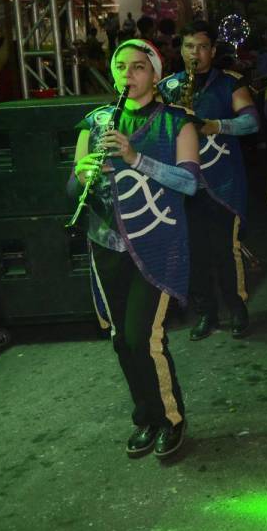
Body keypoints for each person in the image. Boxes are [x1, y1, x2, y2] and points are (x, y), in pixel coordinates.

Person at [69, 39, 199, 459]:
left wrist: (135, 157)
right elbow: (71, 188)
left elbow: (189, 182)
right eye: (121, 66)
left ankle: (170, 419)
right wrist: (81, 173)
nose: (129, 74)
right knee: (121, 340)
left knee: (142, 336)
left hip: (158, 244)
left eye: (139, 67)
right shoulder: (96, 122)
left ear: (156, 74)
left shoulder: (177, 122)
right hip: (106, 242)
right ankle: (145, 413)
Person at [158, 24, 260, 341]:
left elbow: (251, 122)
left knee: (225, 252)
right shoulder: (168, 86)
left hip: (221, 183)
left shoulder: (229, 82)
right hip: (183, 185)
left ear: (212, 51)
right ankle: (207, 314)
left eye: (202, 47)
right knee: (194, 254)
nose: (195, 53)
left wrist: (214, 125)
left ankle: (237, 309)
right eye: (189, 46)